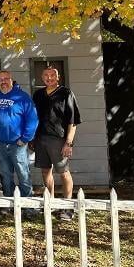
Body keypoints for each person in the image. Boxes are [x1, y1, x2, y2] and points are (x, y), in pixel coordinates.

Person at [33, 66, 81, 221]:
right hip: (41, 138)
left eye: (52, 75)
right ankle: (51, 202)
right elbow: (33, 118)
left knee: (63, 172)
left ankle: (68, 207)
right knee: (45, 171)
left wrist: (69, 143)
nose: (49, 78)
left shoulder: (66, 93)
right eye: (46, 75)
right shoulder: (38, 94)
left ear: (58, 77)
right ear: (42, 78)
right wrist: (32, 138)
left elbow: (73, 121)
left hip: (59, 138)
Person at [0, 71, 38, 201]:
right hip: (0, 143)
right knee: (5, 175)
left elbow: (33, 119)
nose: (3, 82)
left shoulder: (22, 97)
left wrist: (25, 138)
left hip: (18, 144)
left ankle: (27, 204)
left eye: (6, 79)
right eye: (0, 80)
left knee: (23, 173)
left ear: (11, 80)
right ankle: (8, 202)